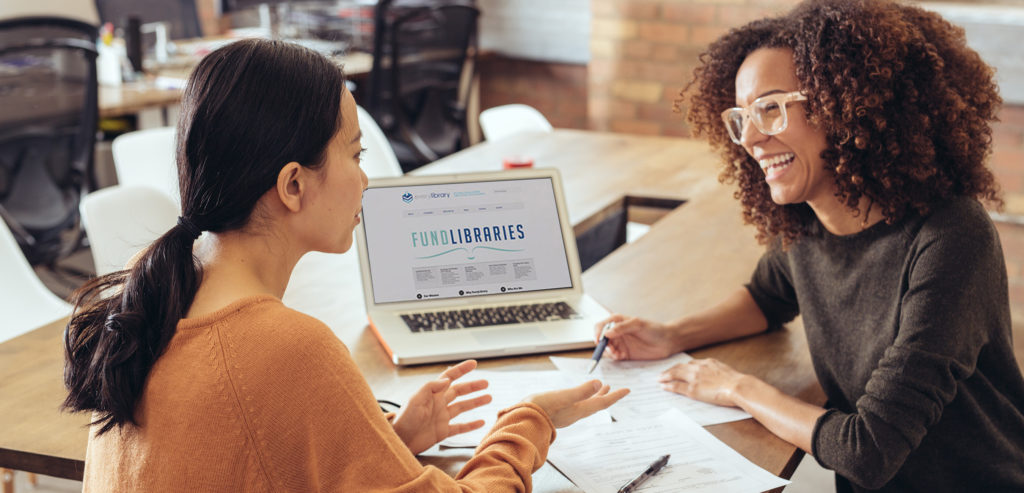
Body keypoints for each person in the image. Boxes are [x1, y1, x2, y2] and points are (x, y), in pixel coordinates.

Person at [62, 39, 628, 491]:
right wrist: (528, 423)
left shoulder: (153, 288)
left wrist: (386, 439)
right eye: (355, 155)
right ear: (293, 185)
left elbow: (249, 459)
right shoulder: (285, 348)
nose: (365, 179)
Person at [595, 0, 1024, 491]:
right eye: (741, 117)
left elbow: (867, 450)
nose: (750, 138)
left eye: (771, 109)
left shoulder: (951, 237)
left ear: (847, 105)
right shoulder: (808, 223)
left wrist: (737, 387)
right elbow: (766, 299)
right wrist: (671, 335)